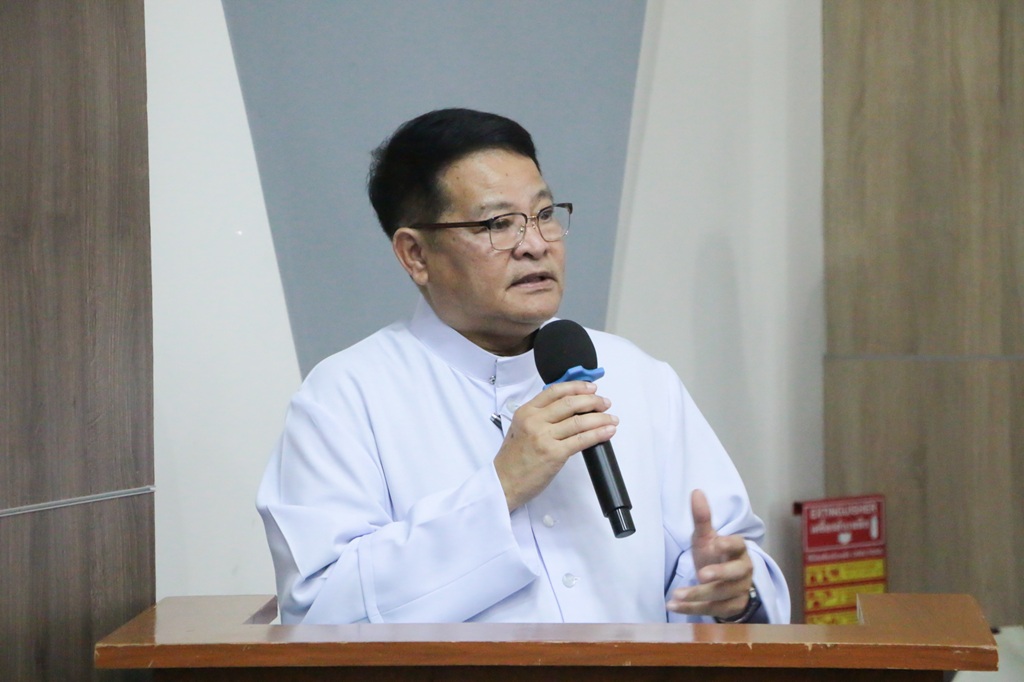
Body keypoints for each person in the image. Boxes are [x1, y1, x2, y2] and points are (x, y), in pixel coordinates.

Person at [256, 108, 790, 625]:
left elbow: (732, 561)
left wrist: (732, 593)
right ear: (415, 255)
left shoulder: (638, 377)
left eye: (544, 215)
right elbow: (320, 611)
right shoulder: (346, 397)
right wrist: (501, 488)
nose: (535, 245)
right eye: (498, 224)